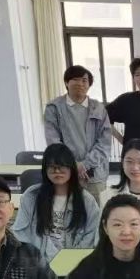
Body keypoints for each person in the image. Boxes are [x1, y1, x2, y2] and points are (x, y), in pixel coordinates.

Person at [12, 143, 100, 261]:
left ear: (71, 168)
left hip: (75, 262)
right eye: (52, 166)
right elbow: (21, 232)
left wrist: (71, 260)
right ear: (45, 169)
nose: (57, 171)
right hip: (38, 261)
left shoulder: (87, 201)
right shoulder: (31, 196)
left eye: (62, 166)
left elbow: (92, 235)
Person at [44, 65, 111, 204]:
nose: (80, 83)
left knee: (97, 211)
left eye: (84, 80)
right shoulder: (54, 107)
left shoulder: (98, 108)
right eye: (75, 79)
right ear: (66, 82)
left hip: (94, 173)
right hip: (66, 172)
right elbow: (53, 141)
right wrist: (73, 164)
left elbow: (104, 143)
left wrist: (85, 165)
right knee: (68, 209)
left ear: (89, 85)